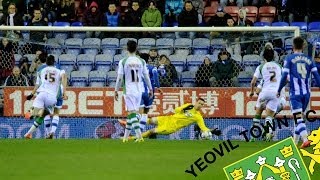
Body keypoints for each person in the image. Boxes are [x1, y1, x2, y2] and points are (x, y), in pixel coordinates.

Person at [277, 36, 320, 149]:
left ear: (293, 46)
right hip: (306, 94)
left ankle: (305, 140)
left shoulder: (289, 58)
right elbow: (317, 76)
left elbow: (284, 77)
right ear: (303, 46)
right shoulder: (309, 59)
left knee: (298, 117)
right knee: (299, 118)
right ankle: (295, 143)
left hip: (295, 93)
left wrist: (278, 89)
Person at [114, 40, 153, 143]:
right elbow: (146, 76)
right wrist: (150, 89)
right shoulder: (142, 61)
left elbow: (119, 78)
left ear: (126, 48)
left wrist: (116, 90)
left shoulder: (123, 61)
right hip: (139, 90)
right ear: (136, 48)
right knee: (132, 114)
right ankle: (125, 138)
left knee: (131, 113)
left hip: (129, 90)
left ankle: (139, 136)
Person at [24, 55, 67, 139]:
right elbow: (64, 77)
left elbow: (37, 84)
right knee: (52, 113)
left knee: (41, 114)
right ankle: (51, 132)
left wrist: (32, 94)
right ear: (54, 62)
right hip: (52, 96)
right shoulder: (59, 70)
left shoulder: (41, 70)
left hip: (41, 94)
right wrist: (64, 93)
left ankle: (31, 114)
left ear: (46, 63)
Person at [134, 98, 214, 139]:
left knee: (152, 131)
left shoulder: (198, 117)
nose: (200, 105)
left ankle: (133, 137)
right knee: (150, 120)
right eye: (199, 103)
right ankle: (130, 123)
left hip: (171, 127)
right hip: (168, 119)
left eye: (202, 104)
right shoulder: (189, 105)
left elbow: (203, 128)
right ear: (196, 102)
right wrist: (184, 108)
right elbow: (176, 110)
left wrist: (211, 131)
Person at [249, 48, 284, 142]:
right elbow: (286, 79)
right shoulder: (279, 66)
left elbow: (253, 82)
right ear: (274, 56)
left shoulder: (261, 67)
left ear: (263, 57)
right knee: (269, 116)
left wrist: (252, 92)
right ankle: (268, 135)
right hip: (275, 93)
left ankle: (253, 136)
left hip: (264, 93)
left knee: (258, 113)